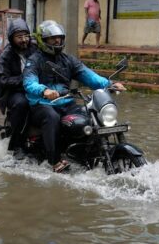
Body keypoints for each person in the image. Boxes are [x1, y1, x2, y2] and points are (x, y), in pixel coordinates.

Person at [23, 20, 126, 173]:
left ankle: (87, 154)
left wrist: (109, 84)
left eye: (59, 38)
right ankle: (54, 161)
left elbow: (88, 75)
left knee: (88, 115)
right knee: (51, 117)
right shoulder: (34, 60)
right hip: (42, 103)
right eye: (53, 39)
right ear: (42, 40)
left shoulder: (68, 60)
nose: (57, 41)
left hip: (65, 101)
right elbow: (29, 82)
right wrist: (44, 91)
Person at [0, 18, 38, 153]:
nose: (24, 40)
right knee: (22, 104)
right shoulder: (5, 55)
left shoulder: (35, 48)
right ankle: (16, 145)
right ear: (11, 38)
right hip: (13, 91)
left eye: (26, 36)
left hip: (37, 87)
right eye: (19, 37)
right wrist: (25, 80)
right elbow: (3, 80)